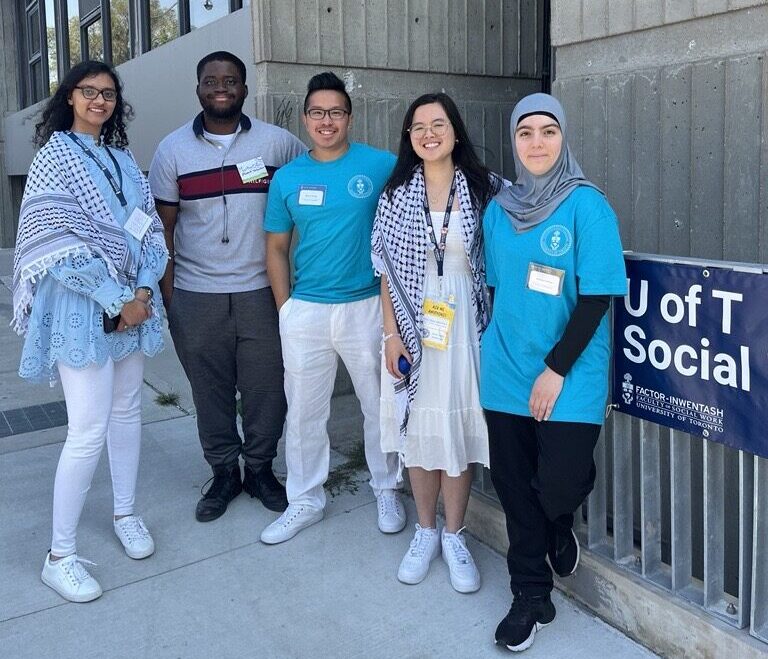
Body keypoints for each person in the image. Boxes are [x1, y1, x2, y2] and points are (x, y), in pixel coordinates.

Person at [12, 60, 168, 602]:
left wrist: (143, 291)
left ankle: (125, 513)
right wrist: (115, 297)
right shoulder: (54, 155)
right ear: (70, 98)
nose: (99, 100)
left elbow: (149, 230)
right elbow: (49, 240)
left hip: (133, 306)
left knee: (127, 412)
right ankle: (60, 555)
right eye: (88, 92)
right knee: (86, 429)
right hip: (83, 306)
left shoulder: (123, 158)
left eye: (108, 93)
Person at [481, 93, 627, 652]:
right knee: (516, 490)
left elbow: (598, 297)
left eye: (548, 131)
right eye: (525, 133)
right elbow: (498, 289)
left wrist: (554, 369)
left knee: (557, 483)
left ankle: (562, 519)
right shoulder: (500, 210)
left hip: (570, 371)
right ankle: (530, 595)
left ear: (563, 138)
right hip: (504, 368)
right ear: (514, 141)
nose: (536, 143)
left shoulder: (587, 206)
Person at [148, 51, 305, 523]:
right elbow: (164, 232)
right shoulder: (172, 151)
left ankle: (259, 468)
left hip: (262, 292)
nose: (222, 87)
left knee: (266, 390)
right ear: (198, 89)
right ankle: (223, 472)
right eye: (212, 80)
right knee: (209, 392)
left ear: (244, 89)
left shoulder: (279, 146)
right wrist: (172, 299)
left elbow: (313, 195)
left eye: (231, 80)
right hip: (197, 296)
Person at [261, 72, 403, 544]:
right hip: (306, 311)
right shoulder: (288, 177)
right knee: (303, 410)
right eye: (318, 112)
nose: (327, 121)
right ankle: (305, 499)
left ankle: (386, 487)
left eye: (336, 112)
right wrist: (286, 309)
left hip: (366, 306)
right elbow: (276, 247)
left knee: (379, 405)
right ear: (305, 118)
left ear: (349, 117)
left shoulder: (380, 165)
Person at [372, 93, 500, 592]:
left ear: (456, 130)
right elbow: (384, 270)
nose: (429, 132)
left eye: (438, 123)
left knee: (458, 432)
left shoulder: (487, 188)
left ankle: (454, 534)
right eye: (418, 126)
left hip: (465, 325)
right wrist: (389, 334)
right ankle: (425, 530)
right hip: (412, 323)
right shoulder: (396, 193)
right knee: (419, 433)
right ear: (409, 137)